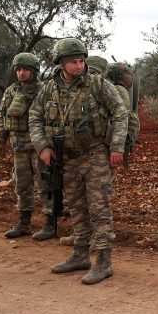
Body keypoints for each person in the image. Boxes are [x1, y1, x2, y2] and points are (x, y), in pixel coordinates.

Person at [28, 38, 128, 285]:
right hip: (66, 158)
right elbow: (35, 116)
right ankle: (81, 254)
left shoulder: (98, 84)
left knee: (99, 208)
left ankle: (103, 261)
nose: (79, 66)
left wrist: (117, 146)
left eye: (81, 61)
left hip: (94, 155)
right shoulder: (50, 89)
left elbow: (119, 112)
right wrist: (42, 147)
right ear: (61, 63)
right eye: (73, 62)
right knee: (76, 207)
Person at [0, 53, 48, 239]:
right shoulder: (11, 91)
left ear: (34, 71)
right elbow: (3, 117)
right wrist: (0, 140)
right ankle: (24, 223)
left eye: (25, 69)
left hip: (39, 146)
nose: (21, 73)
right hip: (18, 146)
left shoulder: (44, 90)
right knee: (22, 185)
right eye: (18, 69)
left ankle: (51, 223)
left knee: (45, 184)